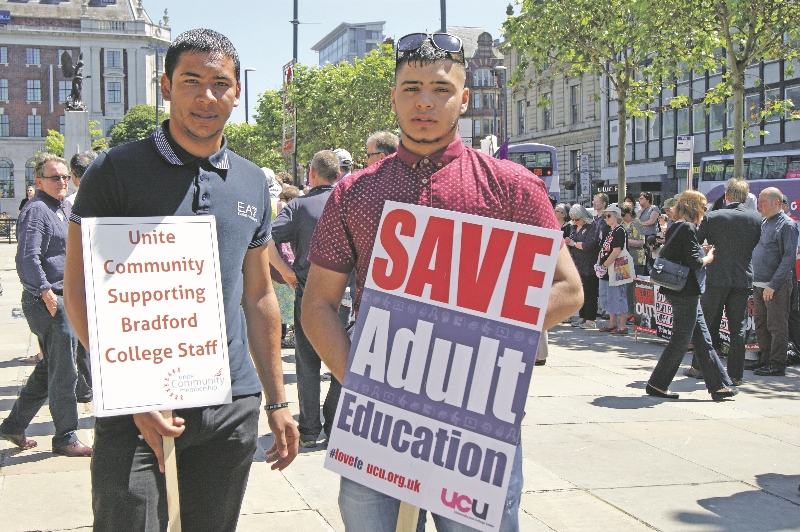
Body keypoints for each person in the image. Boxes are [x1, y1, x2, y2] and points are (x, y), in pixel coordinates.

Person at [300, 32, 582, 531]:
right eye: (411, 88)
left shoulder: (514, 187)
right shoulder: (355, 192)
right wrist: (363, 386)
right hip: (377, 418)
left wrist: (471, 334)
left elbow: (568, 290)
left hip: (476, 420)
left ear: (464, 98)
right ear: (393, 97)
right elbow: (318, 304)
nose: (424, 101)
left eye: (440, 88)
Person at [63, 29, 298, 531]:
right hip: (136, 411)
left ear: (238, 93)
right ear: (166, 86)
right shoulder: (114, 172)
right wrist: (132, 389)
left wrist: (276, 401)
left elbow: (258, 297)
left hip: (229, 407)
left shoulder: (253, 181)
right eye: (191, 80)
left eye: (220, 83)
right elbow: (79, 293)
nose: (206, 96)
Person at [0, 153, 91, 457]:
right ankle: (65, 437)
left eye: (65, 177)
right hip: (49, 299)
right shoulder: (37, 210)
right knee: (65, 372)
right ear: (38, 181)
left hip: (66, 297)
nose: (63, 182)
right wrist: (44, 291)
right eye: (55, 177)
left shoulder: (64, 207)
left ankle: (13, 425)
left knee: (51, 366)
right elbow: (27, 256)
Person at [268, 150, 342, 449]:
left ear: (311, 174)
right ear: (338, 175)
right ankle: (334, 421)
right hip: (347, 294)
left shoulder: (298, 206)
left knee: (307, 362)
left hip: (309, 289)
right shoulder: (351, 201)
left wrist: (286, 271)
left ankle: (310, 429)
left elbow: (266, 238)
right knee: (343, 359)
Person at [646, 190, 738, 401]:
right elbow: (695, 262)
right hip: (685, 291)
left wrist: (699, 252)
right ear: (695, 207)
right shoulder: (687, 228)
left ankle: (719, 385)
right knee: (681, 340)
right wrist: (708, 257)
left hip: (681, 290)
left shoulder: (675, 227)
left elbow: (682, 255)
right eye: (703, 207)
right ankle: (657, 383)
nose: (705, 211)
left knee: (703, 339)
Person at [683, 179, 761, 386]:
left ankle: (700, 367)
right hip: (742, 277)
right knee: (738, 328)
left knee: (707, 324)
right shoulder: (756, 218)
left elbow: (694, 243)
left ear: (726, 195)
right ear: (745, 197)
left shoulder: (714, 216)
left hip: (716, 276)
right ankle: (735, 374)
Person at [747, 187, 799, 377]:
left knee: (777, 325)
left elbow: (788, 258)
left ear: (776, 202)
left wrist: (773, 284)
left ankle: (777, 363)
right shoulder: (764, 222)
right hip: (759, 283)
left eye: (763, 202)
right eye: (759, 202)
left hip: (775, 286)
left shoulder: (787, 225)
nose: (759, 205)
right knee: (761, 324)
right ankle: (765, 359)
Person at [565, 204, 600, 329]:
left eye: (577, 219)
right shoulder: (573, 226)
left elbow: (589, 244)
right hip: (577, 263)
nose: (575, 222)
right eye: (573, 219)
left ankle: (590, 319)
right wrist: (570, 241)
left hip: (589, 263)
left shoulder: (593, 226)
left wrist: (574, 244)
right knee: (580, 292)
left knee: (590, 292)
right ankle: (582, 317)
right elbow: (574, 241)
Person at [596, 203, 630, 334]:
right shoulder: (610, 230)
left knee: (619, 295)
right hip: (608, 267)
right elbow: (603, 249)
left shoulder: (619, 230)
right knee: (609, 295)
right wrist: (599, 263)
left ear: (616, 216)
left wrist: (604, 265)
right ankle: (612, 323)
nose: (606, 218)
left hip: (619, 267)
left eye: (608, 215)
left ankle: (622, 325)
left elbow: (616, 251)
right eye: (605, 216)